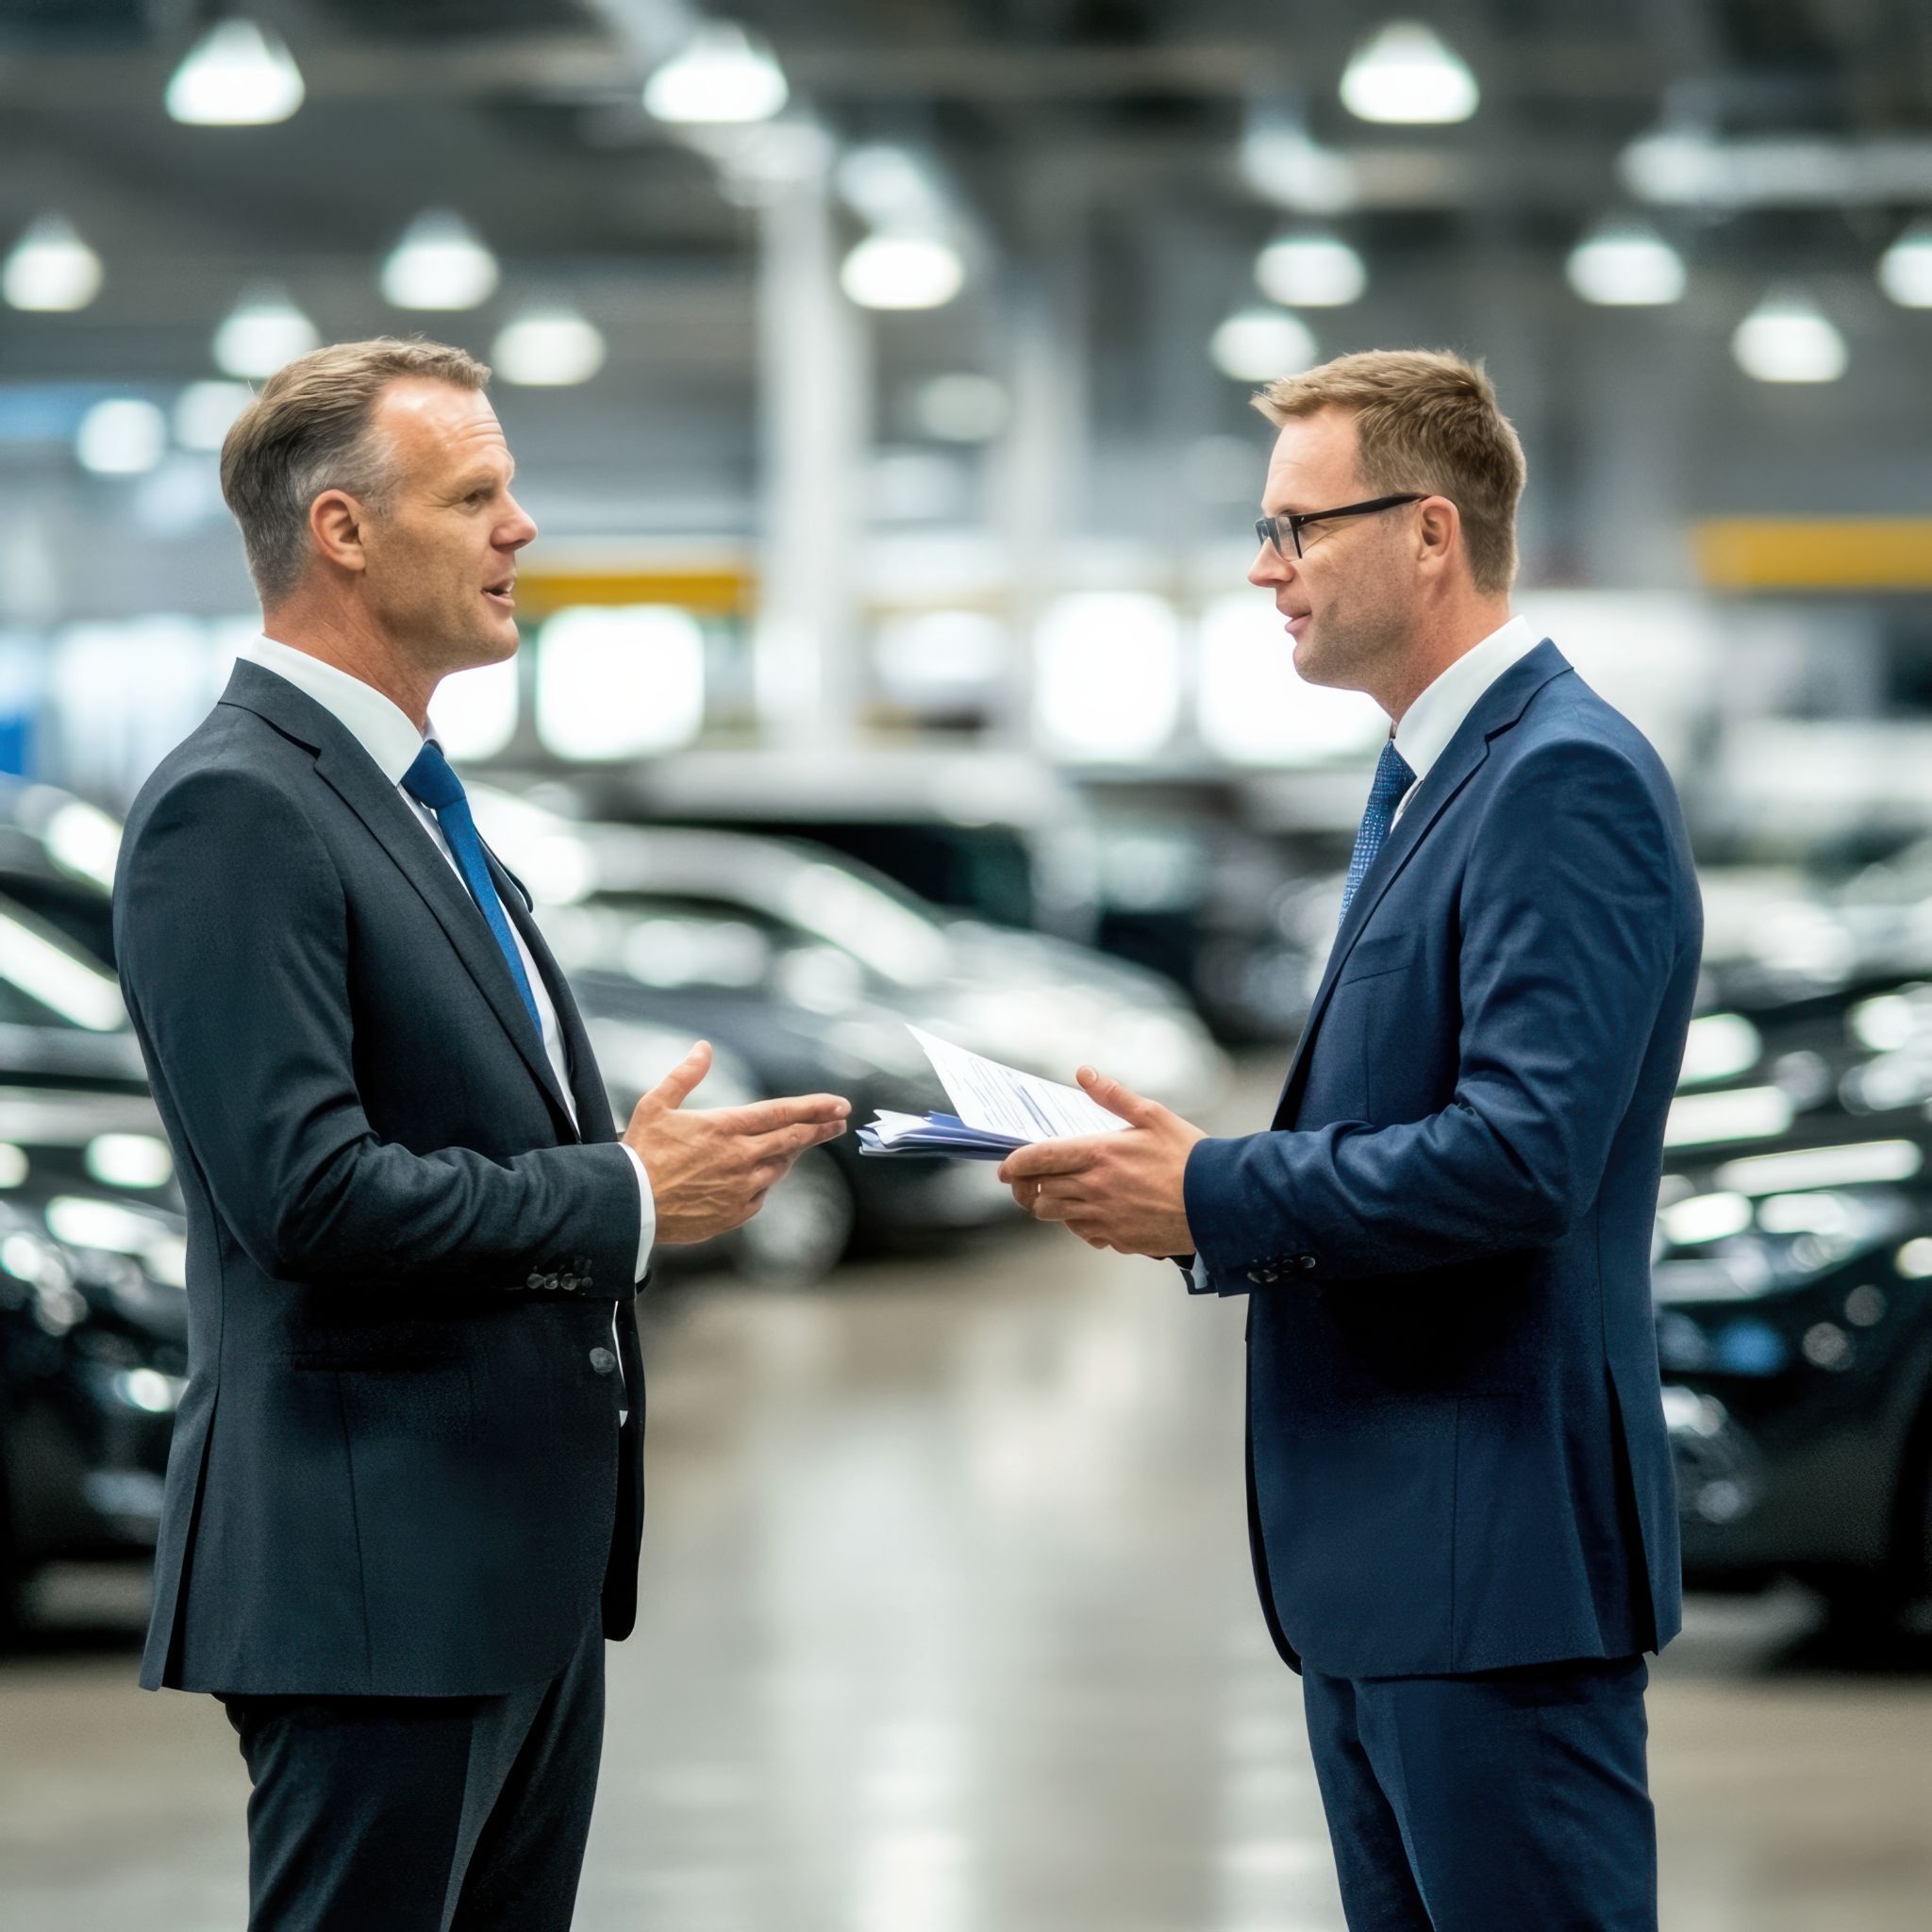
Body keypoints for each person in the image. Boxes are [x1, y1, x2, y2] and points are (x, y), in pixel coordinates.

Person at [113, 337, 851, 1932]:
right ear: (344, 532)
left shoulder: (415, 806)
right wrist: (626, 1199)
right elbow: (306, 1196)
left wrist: (616, 1155)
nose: (524, 529)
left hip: (504, 1573)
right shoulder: (237, 807)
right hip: (370, 1578)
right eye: (479, 494)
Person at [1001, 349, 1698, 1931]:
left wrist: (1209, 1193)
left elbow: (1524, 1159)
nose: (1268, 569)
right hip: (1396, 1572)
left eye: (1297, 527)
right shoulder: (1439, 780)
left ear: (1430, 533)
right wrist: (1200, 1167)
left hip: (1495, 1569)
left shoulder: (1559, 778)